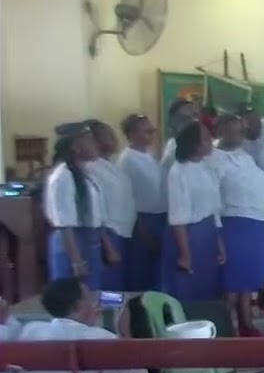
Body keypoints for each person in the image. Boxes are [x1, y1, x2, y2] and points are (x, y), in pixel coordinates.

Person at [6, 279, 150, 373]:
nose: (95, 302)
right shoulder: (101, 338)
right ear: (78, 306)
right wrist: (124, 334)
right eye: (89, 298)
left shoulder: (30, 332)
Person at [207, 113, 264, 337]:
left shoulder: (245, 154)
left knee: (248, 277)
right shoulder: (213, 156)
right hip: (233, 221)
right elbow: (213, 194)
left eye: (241, 130)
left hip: (255, 222)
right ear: (222, 129)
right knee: (232, 281)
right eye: (235, 129)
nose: (240, 134)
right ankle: (227, 327)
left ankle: (247, 322)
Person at [163, 122, 224, 302]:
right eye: (206, 139)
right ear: (195, 145)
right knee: (187, 289)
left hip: (207, 234)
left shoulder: (206, 167)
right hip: (189, 236)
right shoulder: (178, 171)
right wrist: (185, 254)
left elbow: (214, 207)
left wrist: (218, 242)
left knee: (206, 287)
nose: (211, 142)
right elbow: (178, 217)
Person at [44, 123, 106, 289]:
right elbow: (65, 224)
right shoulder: (63, 176)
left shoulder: (85, 173)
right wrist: (76, 260)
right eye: (89, 141)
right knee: (75, 299)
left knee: (93, 296)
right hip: (72, 245)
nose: (96, 145)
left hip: (89, 242)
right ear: (75, 147)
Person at [117, 114, 166, 291]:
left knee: (157, 273)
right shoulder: (127, 160)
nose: (151, 134)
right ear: (131, 134)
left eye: (152, 131)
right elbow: (130, 200)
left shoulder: (149, 156)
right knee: (142, 273)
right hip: (143, 222)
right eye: (146, 131)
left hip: (159, 218)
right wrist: (144, 232)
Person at [85, 120, 134, 291]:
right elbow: (97, 211)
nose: (114, 139)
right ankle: (107, 317)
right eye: (108, 135)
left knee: (121, 287)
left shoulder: (111, 165)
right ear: (94, 140)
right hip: (109, 235)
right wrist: (108, 246)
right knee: (109, 288)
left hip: (124, 233)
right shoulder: (91, 168)